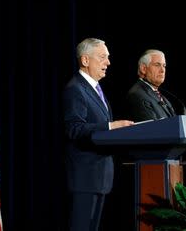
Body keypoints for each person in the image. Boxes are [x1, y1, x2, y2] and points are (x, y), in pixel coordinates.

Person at [62, 37, 134, 231]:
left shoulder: (95, 89)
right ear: (85, 60)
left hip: (99, 178)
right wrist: (110, 127)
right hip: (83, 178)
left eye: (108, 57)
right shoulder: (75, 89)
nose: (108, 63)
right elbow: (74, 128)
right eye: (102, 57)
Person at [125, 49, 177, 122]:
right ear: (143, 69)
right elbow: (152, 129)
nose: (162, 70)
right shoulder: (137, 95)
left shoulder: (162, 97)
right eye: (157, 65)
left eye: (164, 66)